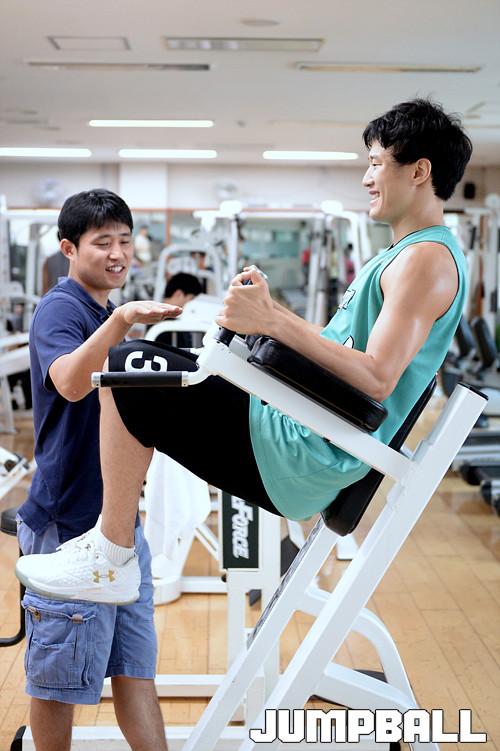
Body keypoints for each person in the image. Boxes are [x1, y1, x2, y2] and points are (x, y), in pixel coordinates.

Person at [16, 99, 473, 609]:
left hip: (304, 450)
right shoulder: (404, 255)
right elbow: (337, 350)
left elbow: (378, 377)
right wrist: (265, 321)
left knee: (130, 370)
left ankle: (111, 554)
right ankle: (114, 550)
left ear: (419, 171)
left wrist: (272, 320)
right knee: (142, 362)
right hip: (299, 433)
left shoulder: (425, 259)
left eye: (376, 163)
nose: (367, 178)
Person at [16, 189, 181, 751]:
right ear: (69, 248)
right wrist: (124, 323)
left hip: (118, 528)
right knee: (57, 684)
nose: (118, 254)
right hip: (69, 524)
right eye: (102, 242)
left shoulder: (104, 312)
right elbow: (69, 381)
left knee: (135, 672)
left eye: (125, 241)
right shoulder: (62, 308)